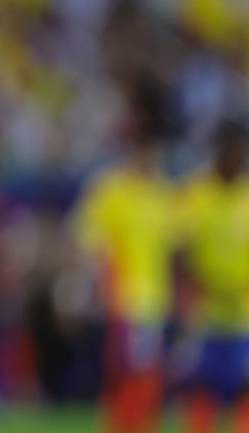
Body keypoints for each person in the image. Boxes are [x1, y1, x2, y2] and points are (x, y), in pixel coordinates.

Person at [72, 102, 178, 433]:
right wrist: (95, 287)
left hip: (155, 301)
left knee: (141, 377)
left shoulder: (163, 193)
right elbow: (88, 242)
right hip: (125, 300)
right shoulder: (111, 190)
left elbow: (176, 249)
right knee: (131, 377)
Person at [178, 125, 249, 433]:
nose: (234, 160)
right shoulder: (197, 195)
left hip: (248, 312)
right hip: (206, 312)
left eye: (239, 154)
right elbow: (182, 250)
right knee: (201, 387)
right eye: (228, 153)